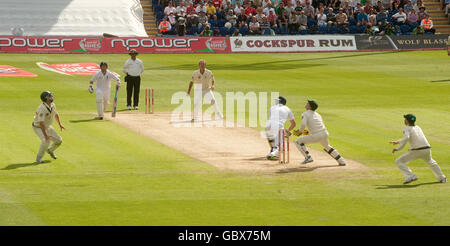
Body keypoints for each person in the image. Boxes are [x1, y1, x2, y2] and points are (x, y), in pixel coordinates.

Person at [390, 114, 446, 184]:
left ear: (407, 121)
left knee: (399, 161)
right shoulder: (418, 127)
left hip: (416, 150)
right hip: (427, 149)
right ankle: (442, 178)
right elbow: (407, 138)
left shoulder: (406, 128)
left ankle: (410, 176)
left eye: (405, 119)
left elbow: (406, 138)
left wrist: (398, 148)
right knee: (431, 162)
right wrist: (398, 142)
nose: (404, 120)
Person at [294, 100, 346, 166]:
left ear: (309, 106)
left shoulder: (305, 113)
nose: (306, 104)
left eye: (307, 103)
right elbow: (314, 126)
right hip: (324, 133)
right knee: (327, 146)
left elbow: (303, 124)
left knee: (298, 141)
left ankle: (308, 157)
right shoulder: (317, 114)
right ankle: (342, 161)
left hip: (316, 135)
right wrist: (304, 132)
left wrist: (299, 132)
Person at [33, 91, 65, 163]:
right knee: (45, 141)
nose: (51, 97)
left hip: (47, 126)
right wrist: (46, 135)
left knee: (59, 140)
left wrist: (60, 124)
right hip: (38, 127)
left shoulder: (53, 105)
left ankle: (50, 150)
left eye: (51, 95)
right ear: (45, 99)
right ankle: (38, 158)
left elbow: (55, 114)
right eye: (49, 96)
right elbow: (41, 123)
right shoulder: (42, 109)